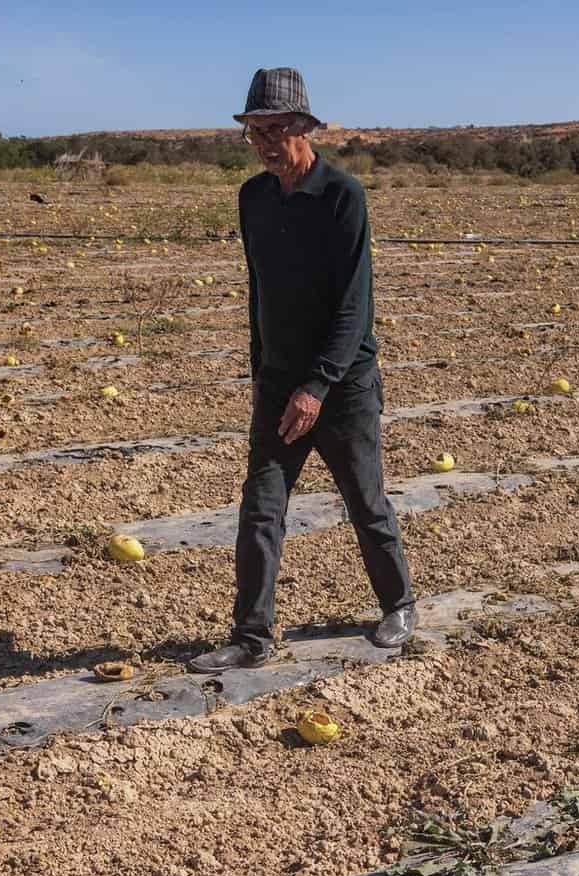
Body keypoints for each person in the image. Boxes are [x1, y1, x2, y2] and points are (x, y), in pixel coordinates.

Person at [189, 67, 416, 674]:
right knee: (261, 507)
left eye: (277, 128)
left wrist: (316, 387)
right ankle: (250, 636)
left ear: (308, 128)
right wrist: (264, 371)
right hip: (279, 383)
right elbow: (258, 288)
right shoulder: (253, 198)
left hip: (341, 388)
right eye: (254, 131)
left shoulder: (344, 197)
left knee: (364, 500)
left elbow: (354, 306)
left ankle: (398, 604)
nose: (265, 142)